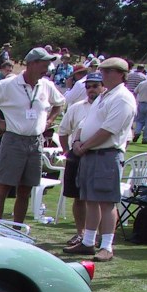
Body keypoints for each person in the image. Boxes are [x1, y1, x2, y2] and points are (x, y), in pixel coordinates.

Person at [0, 47, 65, 223]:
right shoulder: (8, 85)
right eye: (44, 65)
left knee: (26, 189)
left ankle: (17, 229)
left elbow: (60, 103)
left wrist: (50, 120)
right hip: (14, 140)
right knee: (4, 186)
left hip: (36, 142)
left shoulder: (46, 85)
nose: (47, 69)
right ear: (32, 64)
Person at [65, 57, 138, 261]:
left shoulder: (122, 98)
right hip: (90, 154)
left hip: (106, 154)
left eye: (109, 71)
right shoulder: (104, 97)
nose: (104, 74)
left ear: (121, 74)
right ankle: (88, 241)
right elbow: (85, 122)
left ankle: (106, 246)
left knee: (106, 202)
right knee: (90, 200)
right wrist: (78, 141)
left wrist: (84, 146)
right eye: (103, 71)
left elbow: (108, 130)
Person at [57, 72, 104, 249]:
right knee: (78, 197)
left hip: (99, 156)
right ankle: (81, 233)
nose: (91, 89)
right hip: (76, 156)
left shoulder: (108, 105)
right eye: (88, 86)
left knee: (100, 199)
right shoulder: (76, 107)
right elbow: (63, 131)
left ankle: (101, 236)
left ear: (103, 86)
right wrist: (67, 153)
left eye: (95, 86)